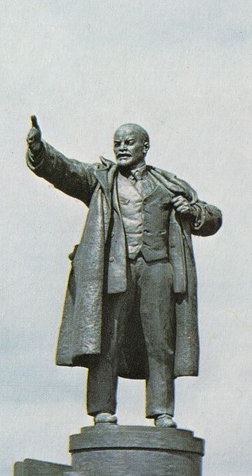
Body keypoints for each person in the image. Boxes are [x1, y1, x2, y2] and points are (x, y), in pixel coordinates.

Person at [26, 117, 222, 428]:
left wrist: (194, 212)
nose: (121, 147)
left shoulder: (168, 184)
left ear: (145, 147)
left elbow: (212, 217)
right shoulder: (100, 179)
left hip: (158, 270)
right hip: (115, 271)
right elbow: (62, 169)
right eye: (117, 142)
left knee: (161, 342)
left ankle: (162, 411)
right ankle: (102, 409)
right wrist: (39, 150)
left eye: (128, 142)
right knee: (107, 340)